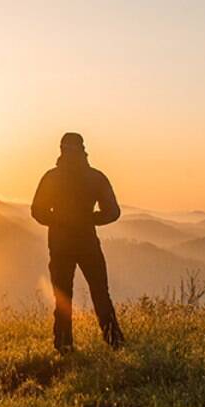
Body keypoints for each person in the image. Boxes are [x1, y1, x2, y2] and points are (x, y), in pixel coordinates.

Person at [31, 132, 125, 353]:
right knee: (100, 292)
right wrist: (89, 219)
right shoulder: (95, 177)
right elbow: (113, 212)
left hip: (60, 244)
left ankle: (64, 345)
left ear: (61, 149)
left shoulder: (51, 177)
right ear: (83, 149)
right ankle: (114, 342)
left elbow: (37, 211)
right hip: (87, 242)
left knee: (62, 295)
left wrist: (59, 220)